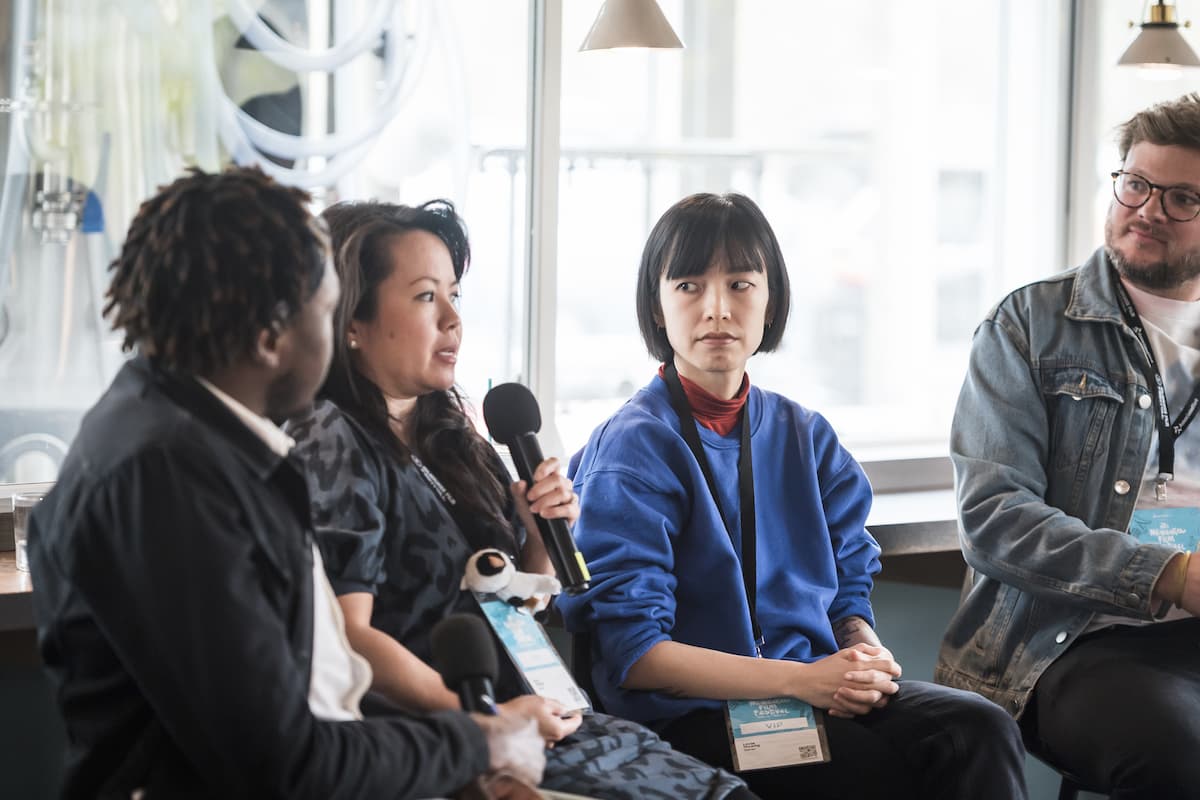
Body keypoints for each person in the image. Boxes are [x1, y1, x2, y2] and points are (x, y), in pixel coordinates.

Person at [27, 166, 545, 799]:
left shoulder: (191, 439)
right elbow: (283, 762)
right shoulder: (165, 477)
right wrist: (475, 743)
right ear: (272, 335)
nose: (332, 341)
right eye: (326, 314)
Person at [555, 192, 1029, 800]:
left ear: (771, 298)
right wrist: (803, 682)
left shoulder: (805, 434)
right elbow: (639, 657)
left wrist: (865, 654)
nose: (717, 309)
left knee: (978, 730)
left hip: (808, 697)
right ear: (658, 305)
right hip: (692, 717)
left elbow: (847, 592)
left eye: (741, 284)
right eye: (690, 286)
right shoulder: (634, 446)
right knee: (880, 771)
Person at [287, 199, 753, 800]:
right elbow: (350, 636)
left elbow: (512, 603)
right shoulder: (331, 437)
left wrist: (538, 535)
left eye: (455, 295)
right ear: (352, 317)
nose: (453, 319)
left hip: (538, 715)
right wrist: (487, 718)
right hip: (439, 741)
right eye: (427, 297)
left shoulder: (450, 435)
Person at [937, 92, 1200, 798]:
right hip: (1067, 640)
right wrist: (1169, 574)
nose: (1147, 209)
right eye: (1136, 184)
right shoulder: (1030, 324)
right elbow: (994, 521)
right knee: (1174, 752)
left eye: (1181, 198)